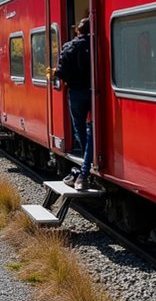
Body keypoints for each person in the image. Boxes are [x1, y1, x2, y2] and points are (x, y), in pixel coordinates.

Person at [52, 17, 93, 190]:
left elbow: (60, 73)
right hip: (94, 92)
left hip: (76, 92)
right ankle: (87, 163)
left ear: (78, 30)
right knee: (92, 128)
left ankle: (85, 164)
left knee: (79, 128)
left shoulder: (68, 46)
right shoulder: (96, 45)